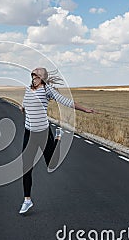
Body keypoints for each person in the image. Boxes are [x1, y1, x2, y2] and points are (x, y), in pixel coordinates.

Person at [19, 67, 95, 214]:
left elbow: (66, 101)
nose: (33, 77)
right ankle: (27, 200)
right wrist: (22, 108)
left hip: (42, 133)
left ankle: (58, 137)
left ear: (42, 77)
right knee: (26, 168)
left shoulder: (47, 90)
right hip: (28, 133)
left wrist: (84, 109)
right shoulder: (28, 90)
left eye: (36, 75)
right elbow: (25, 104)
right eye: (32, 75)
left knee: (51, 164)